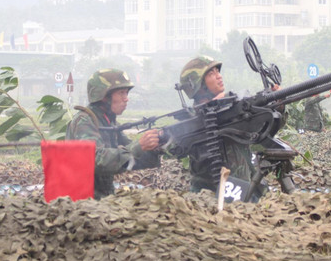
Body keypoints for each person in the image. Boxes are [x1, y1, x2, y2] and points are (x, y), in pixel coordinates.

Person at [66, 69, 161, 199]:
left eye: (126, 93)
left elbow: (129, 159)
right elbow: (95, 160)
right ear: (104, 96)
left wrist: (155, 148)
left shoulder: (109, 122)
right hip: (81, 200)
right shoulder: (84, 121)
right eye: (121, 93)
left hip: (102, 200)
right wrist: (139, 146)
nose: (126, 99)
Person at [179, 56, 262, 195]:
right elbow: (170, 147)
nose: (219, 76)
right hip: (207, 197)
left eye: (218, 71)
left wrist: (278, 107)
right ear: (197, 85)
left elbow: (261, 127)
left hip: (243, 191)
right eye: (211, 74)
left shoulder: (231, 108)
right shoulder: (190, 121)